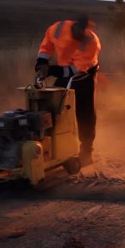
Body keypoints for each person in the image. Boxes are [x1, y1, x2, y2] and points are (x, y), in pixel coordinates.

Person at [35, 14, 101, 166]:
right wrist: (41, 63)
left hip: (84, 76)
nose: (80, 37)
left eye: (83, 34)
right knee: (53, 108)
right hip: (64, 70)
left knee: (84, 112)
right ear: (74, 26)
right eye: (78, 34)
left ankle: (86, 150)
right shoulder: (58, 28)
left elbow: (75, 70)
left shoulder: (91, 42)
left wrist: (51, 70)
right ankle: (53, 146)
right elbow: (46, 46)